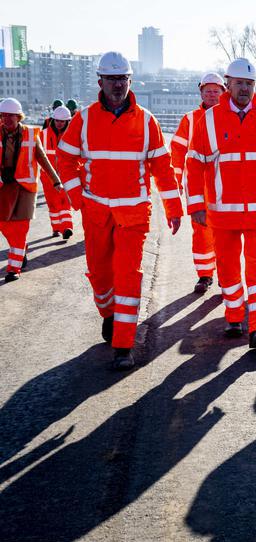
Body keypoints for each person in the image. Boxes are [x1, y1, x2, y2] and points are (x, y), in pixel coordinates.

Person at [56, 51, 183, 370]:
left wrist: (173, 205)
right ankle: (109, 314)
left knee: (128, 275)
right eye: (111, 79)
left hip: (133, 217)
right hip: (96, 213)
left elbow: (162, 168)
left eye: (122, 79)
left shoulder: (146, 121)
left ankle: (123, 345)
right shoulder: (84, 119)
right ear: (100, 81)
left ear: (130, 81)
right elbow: (65, 159)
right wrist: (77, 197)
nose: (117, 85)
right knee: (101, 275)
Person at [185, 58, 256, 350]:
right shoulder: (207, 121)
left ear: (254, 86)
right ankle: (234, 315)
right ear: (228, 84)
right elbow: (194, 165)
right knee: (227, 265)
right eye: (239, 83)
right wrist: (195, 204)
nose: (244, 89)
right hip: (222, 214)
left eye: (249, 84)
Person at [171, 72, 225, 294]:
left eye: (216, 91)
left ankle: (226, 275)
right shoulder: (190, 119)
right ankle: (205, 275)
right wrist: (176, 181)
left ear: (223, 93)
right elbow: (177, 151)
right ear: (201, 93)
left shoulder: (231, 116)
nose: (212, 95)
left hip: (225, 187)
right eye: (208, 91)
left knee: (225, 233)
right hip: (199, 188)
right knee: (201, 232)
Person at [1, 98, 62, 282]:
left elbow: (43, 159)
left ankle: (14, 268)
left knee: (20, 227)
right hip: (4, 186)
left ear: (19, 117)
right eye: (3, 116)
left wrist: (56, 181)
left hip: (26, 187)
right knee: (4, 224)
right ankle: (21, 248)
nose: (6, 119)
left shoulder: (30, 134)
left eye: (10, 116)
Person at [40, 105, 75, 238]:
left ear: (67, 122)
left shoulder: (72, 136)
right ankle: (56, 227)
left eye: (63, 121)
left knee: (65, 201)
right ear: (53, 120)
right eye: (58, 121)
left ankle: (66, 227)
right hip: (48, 176)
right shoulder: (43, 135)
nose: (60, 124)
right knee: (53, 203)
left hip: (66, 175)